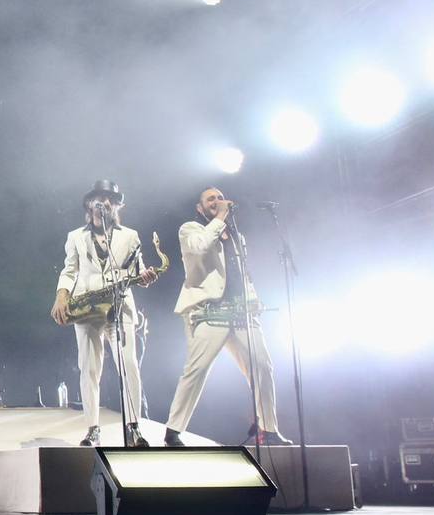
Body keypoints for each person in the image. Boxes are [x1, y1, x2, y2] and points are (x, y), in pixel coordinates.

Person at [163, 187, 291, 446]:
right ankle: (173, 431)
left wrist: (253, 298)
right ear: (200, 208)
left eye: (220, 198)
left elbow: (242, 272)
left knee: (262, 365)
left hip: (241, 311)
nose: (217, 201)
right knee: (197, 369)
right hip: (210, 312)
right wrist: (220, 217)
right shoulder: (190, 229)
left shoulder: (235, 235)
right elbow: (200, 248)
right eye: (210, 199)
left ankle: (268, 429)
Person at [50, 180, 157, 447]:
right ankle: (92, 428)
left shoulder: (130, 236)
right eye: (98, 197)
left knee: (129, 365)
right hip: (88, 308)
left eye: (109, 198)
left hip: (120, 305)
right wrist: (61, 296)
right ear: (89, 204)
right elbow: (69, 270)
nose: (103, 202)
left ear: (117, 205)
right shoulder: (75, 236)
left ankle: (133, 427)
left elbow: (137, 270)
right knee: (89, 368)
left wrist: (144, 276)